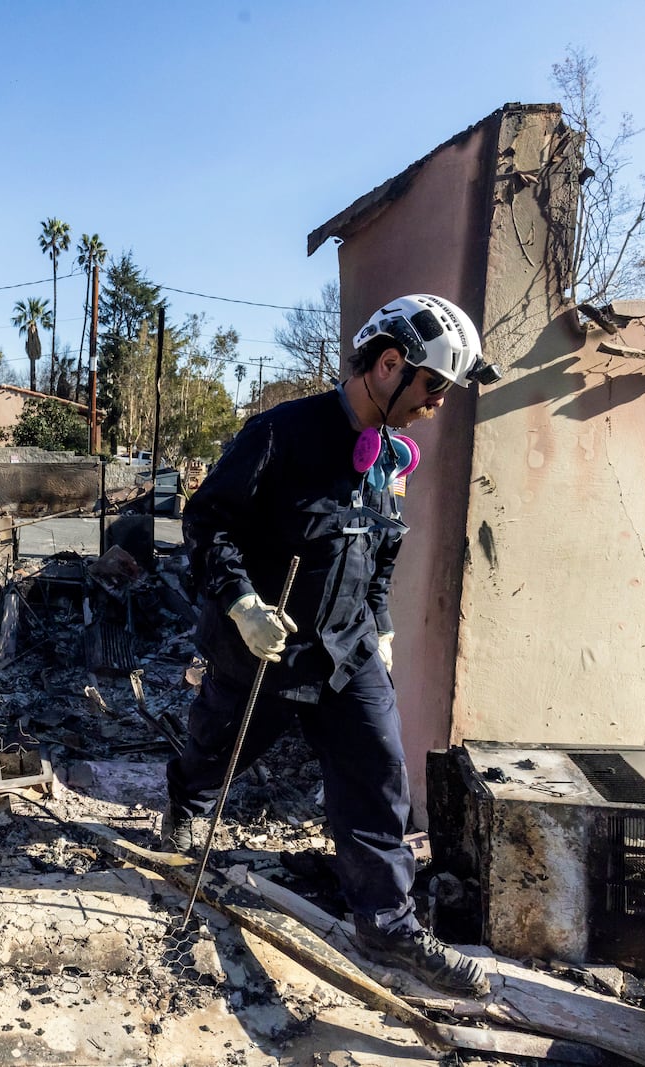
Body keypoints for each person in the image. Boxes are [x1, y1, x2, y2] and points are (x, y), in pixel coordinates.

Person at [163, 294, 502, 997]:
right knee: (218, 746)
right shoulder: (281, 434)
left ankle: (386, 919)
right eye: (433, 387)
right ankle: (187, 808)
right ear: (388, 366)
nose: (436, 406)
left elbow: (383, 549)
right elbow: (208, 522)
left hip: (345, 651)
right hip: (262, 643)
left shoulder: (388, 456)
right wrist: (242, 604)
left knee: (379, 770)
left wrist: (379, 627)